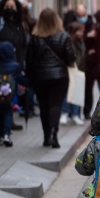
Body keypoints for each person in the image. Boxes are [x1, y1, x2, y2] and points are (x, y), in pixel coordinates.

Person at [26, 8, 76, 148]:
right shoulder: (63, 36)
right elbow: (71, 58)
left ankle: (46, 136)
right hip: (59, 76)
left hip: (40, 76)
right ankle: (54, 133)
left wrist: (28, 76)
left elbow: (29, 60)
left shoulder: (35, 37)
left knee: (44, 106)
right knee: (55, 105)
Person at [0, 41, 28, 147]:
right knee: (8, 113)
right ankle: (7, 134)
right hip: (11, 96)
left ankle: (1, 136)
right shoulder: (16, 67)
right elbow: (21, 79)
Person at [61, 22, 86, 126]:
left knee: (78, 92)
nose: (81, 33)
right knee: (69, 92)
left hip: (79, 69)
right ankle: (65, 113)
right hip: (70, 69)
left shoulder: (80, 42)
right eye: (78, 31)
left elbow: (83, 55)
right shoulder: (68, 42)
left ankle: (75, 114)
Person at [0, 0, 28, 67]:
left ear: (16, 9)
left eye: (12, 7)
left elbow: (24, 45)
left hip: (17, 63)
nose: (9, 8)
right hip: (1, 64)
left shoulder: (20, 25)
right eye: (7, 6)